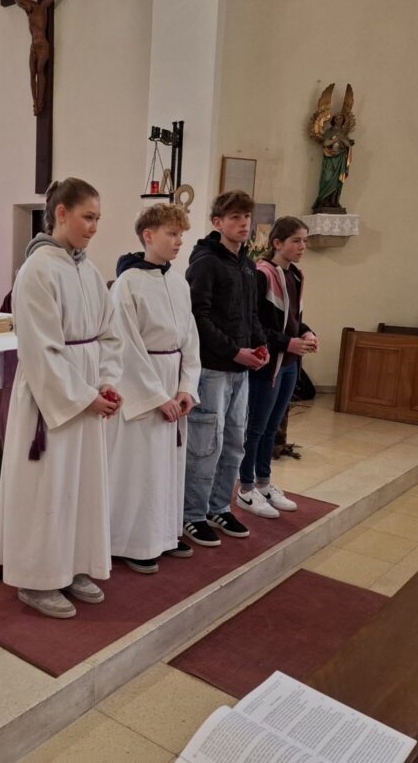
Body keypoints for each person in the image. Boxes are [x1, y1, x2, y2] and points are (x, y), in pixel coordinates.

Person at [0, 178, 123, 619]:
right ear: (61, 213)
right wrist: (83, 396)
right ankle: (37, 578)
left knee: (81, 486)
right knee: (48, 488)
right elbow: (40, 350)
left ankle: (75, 564)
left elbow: (109, 334)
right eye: (88, 217)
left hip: (87, 393)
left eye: (98, 218)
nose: (94, 227)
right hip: (52, 400)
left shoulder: (87, 269)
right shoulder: (37, 270)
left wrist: (107, 382)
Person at [107, 203, 200, 573]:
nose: (179, 241)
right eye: (172, 234)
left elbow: (190, 338)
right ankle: (133, 541)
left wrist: (186, 387)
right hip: (143, 387)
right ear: (148, 235)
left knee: (168, 466)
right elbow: (124, 346)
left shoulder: (179, 282)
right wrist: (157, 397)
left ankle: (164, 534)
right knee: (140, 469)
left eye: (181, 235)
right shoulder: (128, 283)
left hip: (173, 380)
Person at [182, 190, 269, 548]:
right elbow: (197, 317)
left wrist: (260, 345)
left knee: (234, 441)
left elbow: (252, 314)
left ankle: (219, 506)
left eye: (246, 216)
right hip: (213, 369)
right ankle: (192, 514)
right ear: (217, 222)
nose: (243, 223)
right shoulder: (206, 263)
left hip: (240, 370)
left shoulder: (247, 264)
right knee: (206, 445)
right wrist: (234, 351)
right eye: (235, 217)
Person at [236, 217, 318, 518]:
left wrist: (306, 333)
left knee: (273, 427)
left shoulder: (294, 275)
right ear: (277, 243)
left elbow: (293, 319)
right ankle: (245, 488)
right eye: (296, 240)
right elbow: (255, 323)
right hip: (268, 362)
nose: (302, 246)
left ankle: (264, 482)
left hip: (289, 363)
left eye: (305, 240)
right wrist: (287, 343)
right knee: (255, 428)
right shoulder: (262, 274)